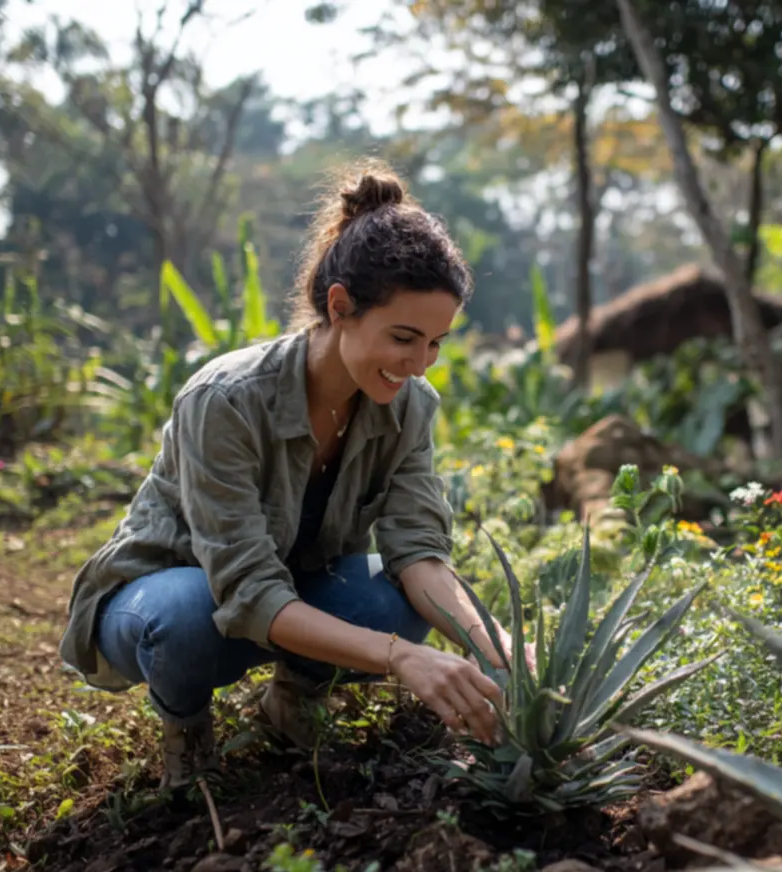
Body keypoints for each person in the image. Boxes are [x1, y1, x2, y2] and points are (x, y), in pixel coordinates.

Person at [59, 160, 528, 790]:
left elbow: (418, 552)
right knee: (185, 617)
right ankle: (186, 726)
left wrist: (494, 644)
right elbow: (246, 590)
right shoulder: (225, 400)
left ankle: (292, 701)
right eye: (404, 337)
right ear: (340, 307)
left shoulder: (410, 407)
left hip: (291, 590)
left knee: (393, 600)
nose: (419, 364)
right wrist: (400, 660)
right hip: (169, 596)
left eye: (436, 344)